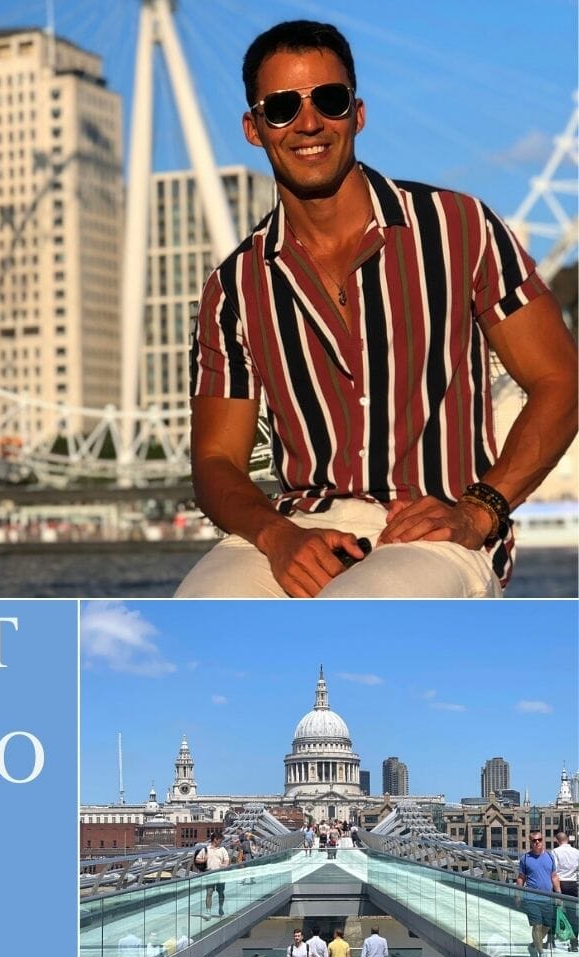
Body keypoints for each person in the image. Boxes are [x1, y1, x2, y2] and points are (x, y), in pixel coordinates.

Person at [178, 18, 577, 599]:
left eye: (330, 100)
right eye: (283, 106)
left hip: (437, 530)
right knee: (199, 618)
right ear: (253, 127)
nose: (309, 122)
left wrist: (480, 510)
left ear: (357, 114)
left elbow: (560, 379)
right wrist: (276, 534)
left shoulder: (459, 228)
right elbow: (216, 459)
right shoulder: (234, 287)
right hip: (296, 527)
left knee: (359, 614)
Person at [516, 832, 560, 957]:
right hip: (531, 897)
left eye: (539, 840)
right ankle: (542, 955)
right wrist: (518, 894)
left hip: (547, 897)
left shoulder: (550, 857)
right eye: (534, 840)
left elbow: (554, 876)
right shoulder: (525, 858)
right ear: (530, 842)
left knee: (546, 926)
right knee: (537, 925)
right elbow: (521, 877)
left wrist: (558, 893)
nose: (537, 842)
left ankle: (534, 945)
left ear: (543, 841)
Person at [552, 829, 579, 952]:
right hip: (572, 883)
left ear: (557, 841)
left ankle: (551, 940)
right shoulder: (576, 852)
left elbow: (554, 870)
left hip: (559, 883)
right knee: (572, 913)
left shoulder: (555, 852)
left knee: (555, 911)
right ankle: (574, 942)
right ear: (567, 840)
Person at [204, 831, 231, 918]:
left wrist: (225, 864)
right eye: (220, 840)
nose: (221, 842)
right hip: (210, 874)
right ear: (215, 839)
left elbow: (227, 860)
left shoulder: (222, 849)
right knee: (209, 893)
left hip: (220, 875)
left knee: (221, 892)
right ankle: (208, 912)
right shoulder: (206, 849)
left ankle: (220, 908)